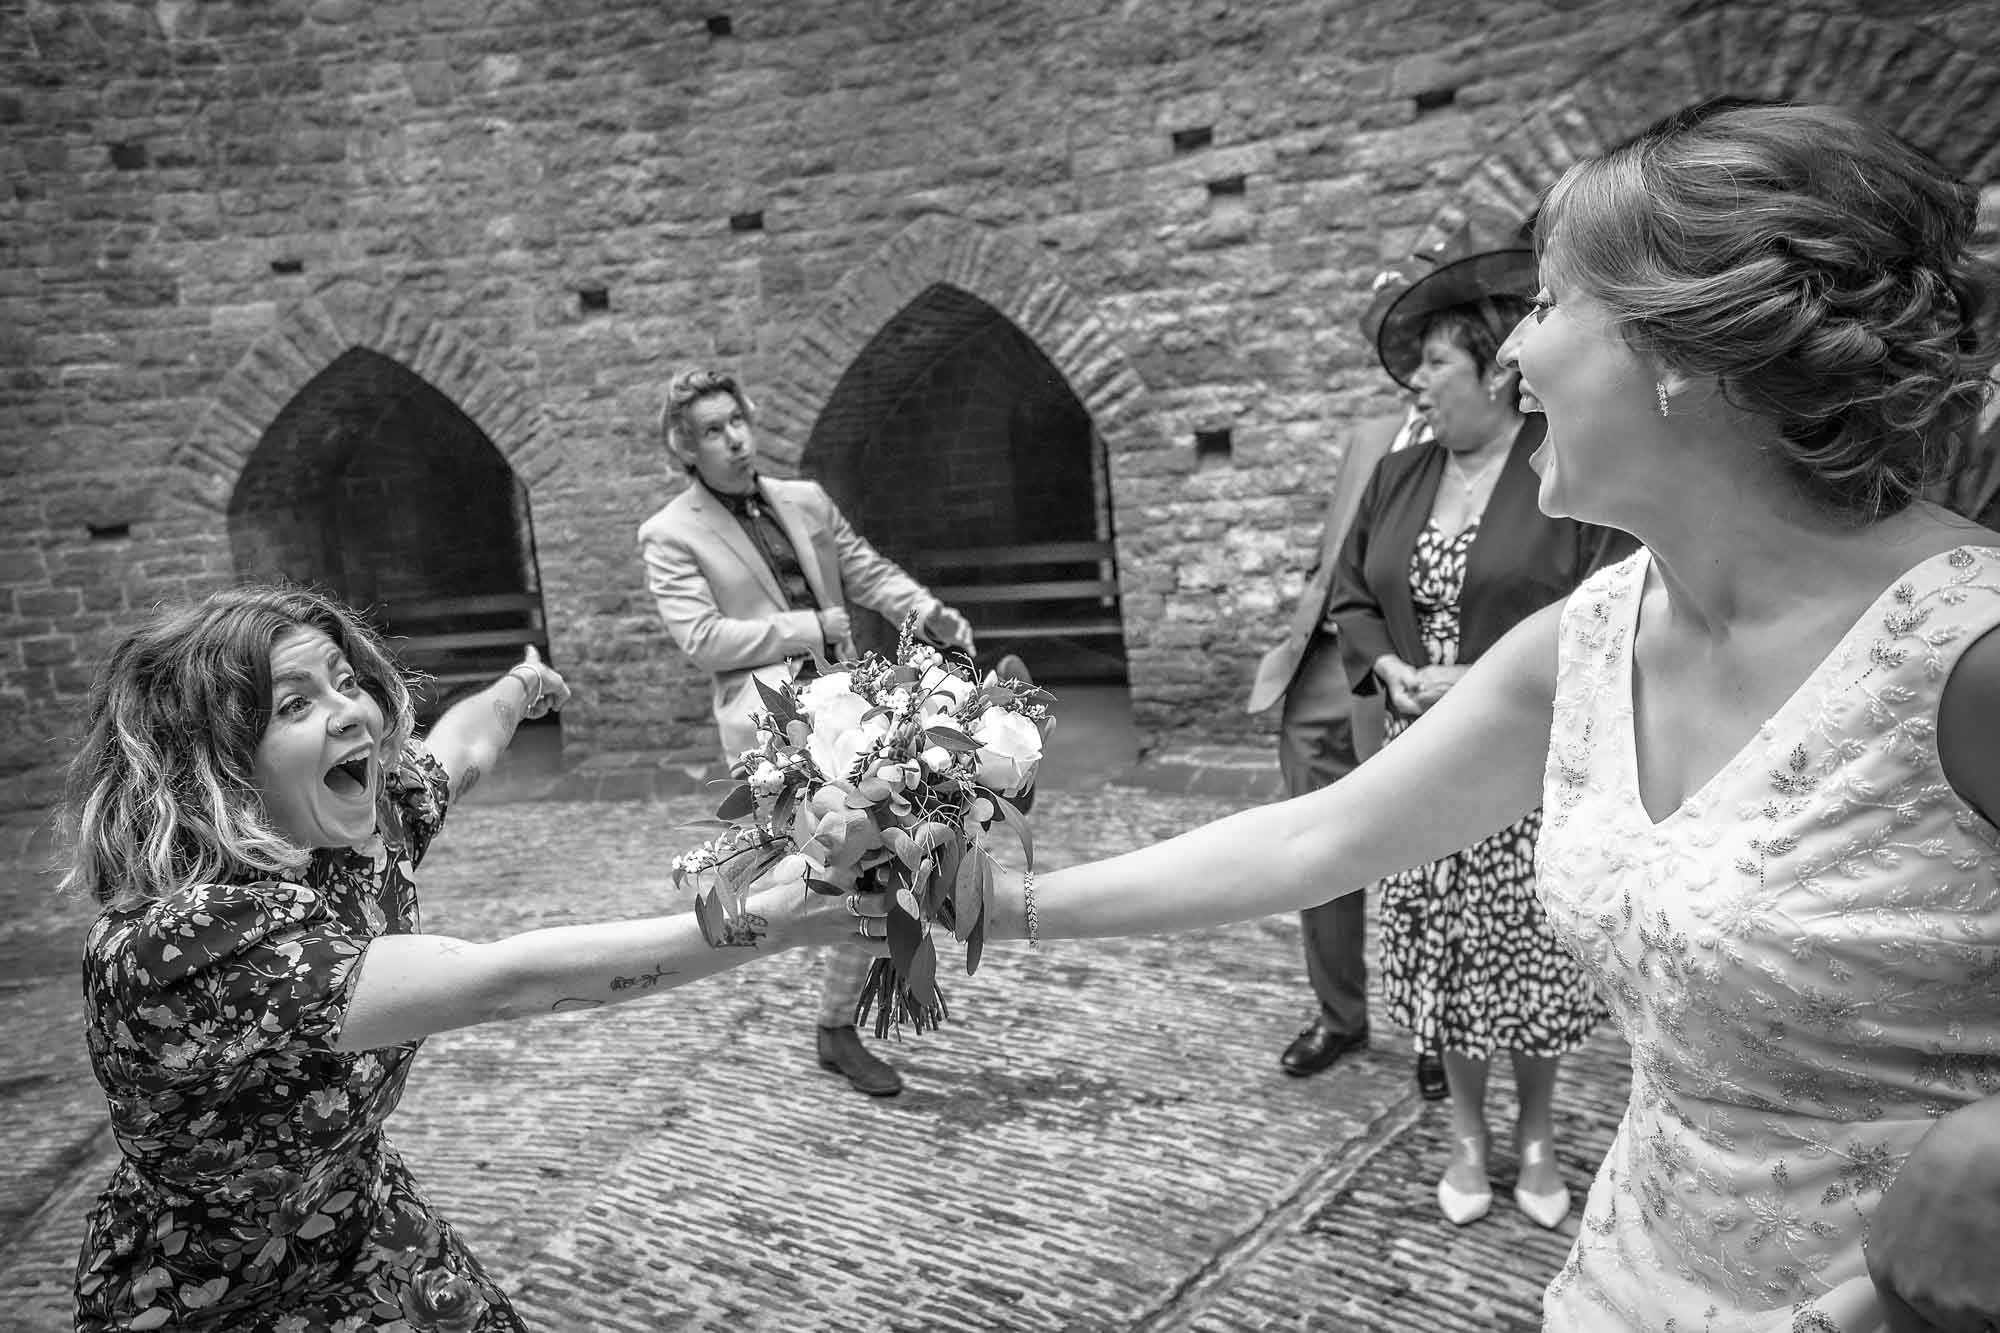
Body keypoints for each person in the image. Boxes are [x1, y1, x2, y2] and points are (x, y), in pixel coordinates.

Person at [944, 101, 2000, 1329]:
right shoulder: (1592, 638)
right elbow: (1315, 839)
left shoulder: (1965, 651)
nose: (1515, 357)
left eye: (1548, 307)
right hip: (1633, 1282)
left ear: (1676, 353)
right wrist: (981, 902)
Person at [62, 585, 869, 1331]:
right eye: (296, 703)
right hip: (206, 1290)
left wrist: (520, 686)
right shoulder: (181, 945)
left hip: (355, 1218)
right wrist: (775, 922)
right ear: (216, 763)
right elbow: (506, 982)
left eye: (347, 681)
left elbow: (461, 750)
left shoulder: (347, 835)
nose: (353, 714)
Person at [1327, 234, 1635, 1227]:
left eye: (1432, 365)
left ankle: (1536, 1132)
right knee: (1446, 962)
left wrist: (1488, 677)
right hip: (1421, 764)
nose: (1415, 386)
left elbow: (1607, 605)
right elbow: (1350, 598)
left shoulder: (1558, 478)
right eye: (1414, 368)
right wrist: (1388, 670)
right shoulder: (1395, 479)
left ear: (1497, 374)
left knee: (1527, 960)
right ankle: (1466, 1131)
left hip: (1525, 767)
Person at [639, 367, 978, 1098]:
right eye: (711, 430)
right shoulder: (668, 534)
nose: (733, 437)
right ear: (685, 448)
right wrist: (805, 627)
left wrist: (931, 613)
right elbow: (701, 639)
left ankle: (836, 1022)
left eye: (737, 420)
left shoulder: (806, 501)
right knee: (857, 865)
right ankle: (820, 1002)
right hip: (771, 732)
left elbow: (865, 570)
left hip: (850, 708)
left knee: (885, 859)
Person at [1246, 406, 1415, 1082]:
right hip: (1325, 663)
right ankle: (1340, 1015)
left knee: (1429, 853)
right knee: (1315, 845)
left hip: (1418, 668)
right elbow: (1335, 554)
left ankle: (1444, 1030)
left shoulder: (1512, 436)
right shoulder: (1371, 433)